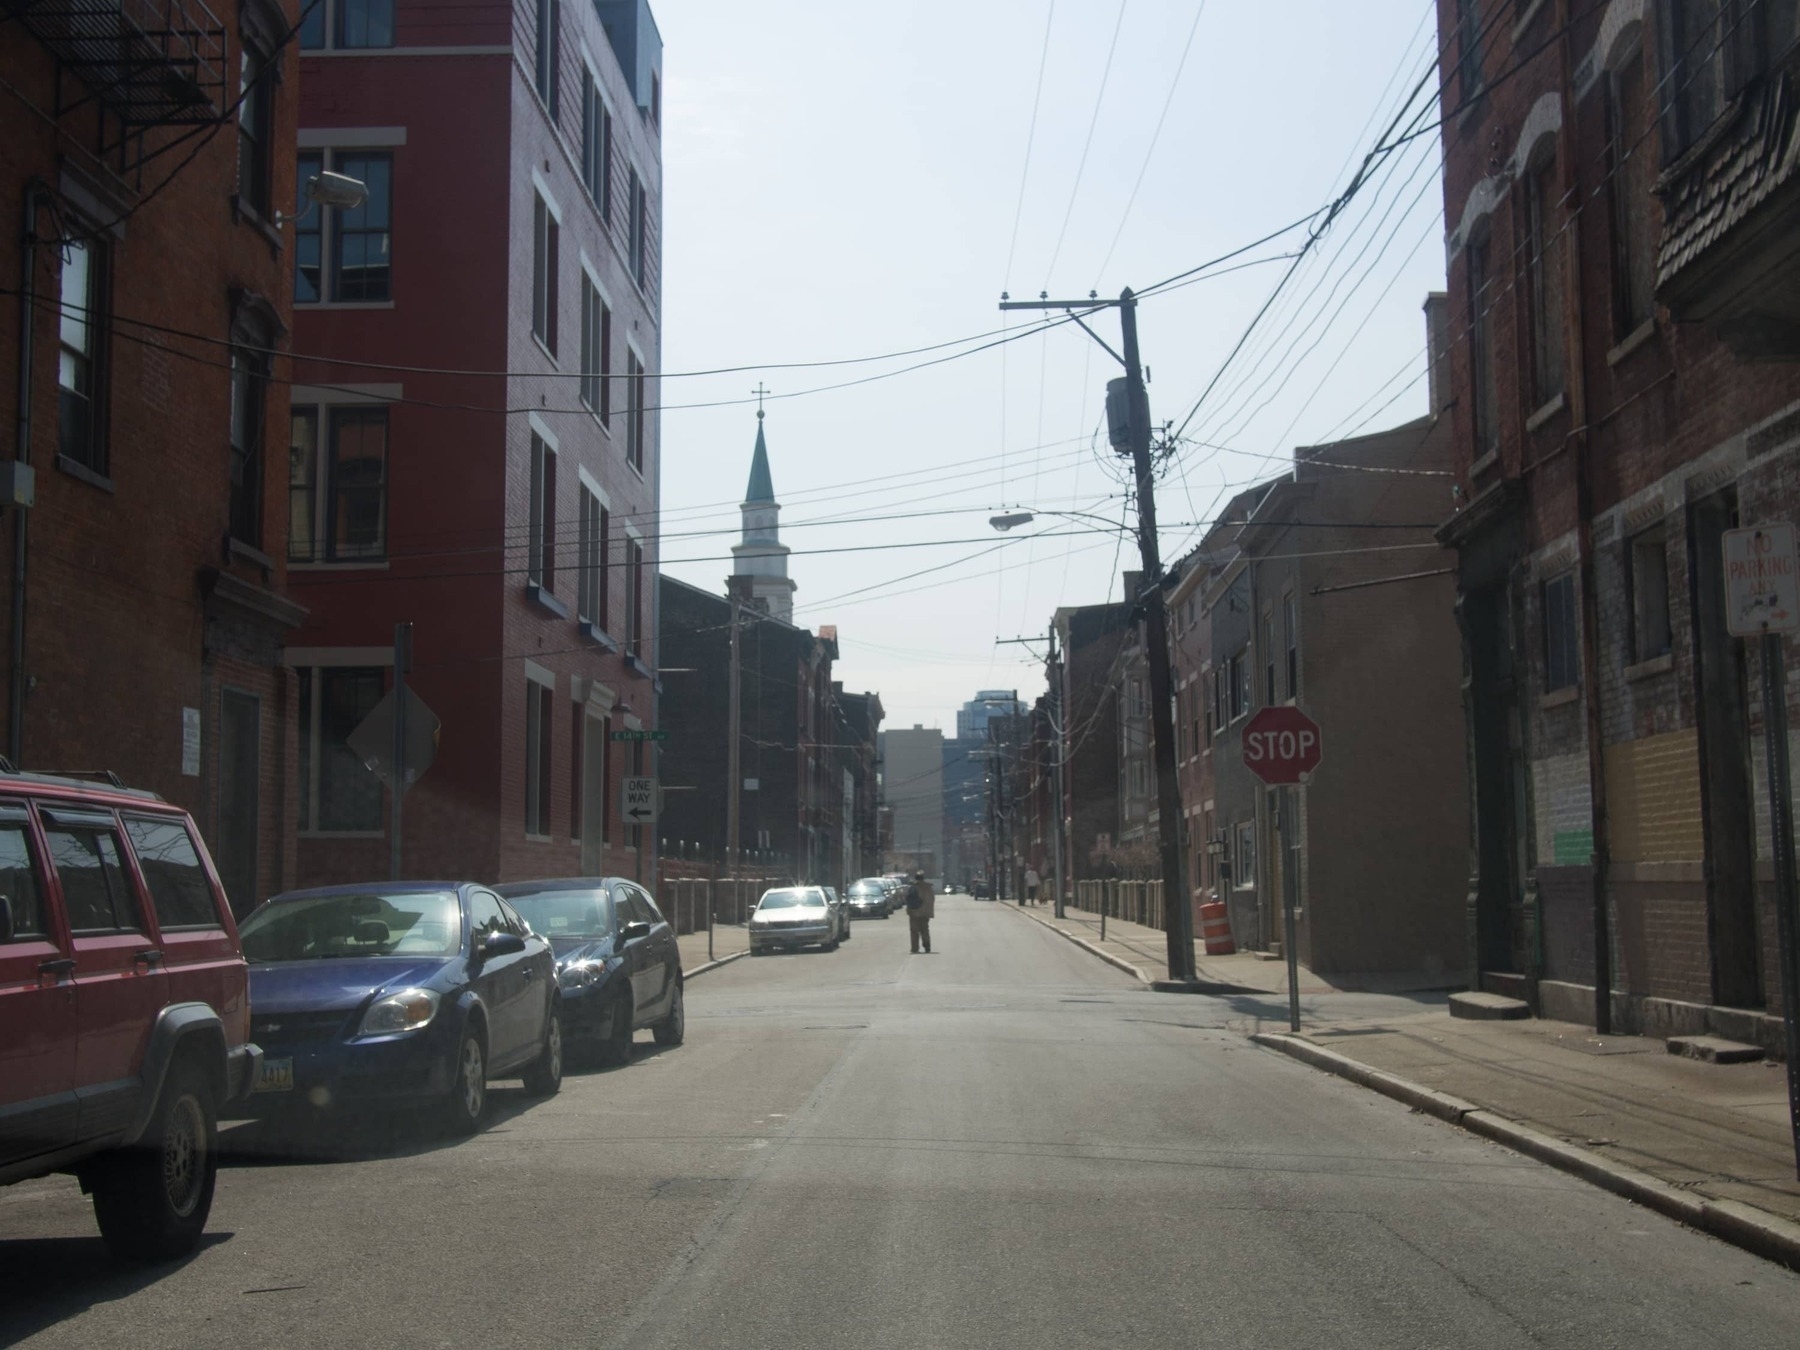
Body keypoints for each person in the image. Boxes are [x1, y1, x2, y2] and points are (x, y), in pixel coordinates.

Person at [906, 869, 935, 953]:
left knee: (914, 931)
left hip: (915, 912)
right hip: (925, 912)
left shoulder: (913, 888)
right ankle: (927, 946)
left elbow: (909, 900)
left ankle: (915, 948)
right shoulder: (929, 888)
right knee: (925, 930)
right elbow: (931, 900)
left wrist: (909, 910)